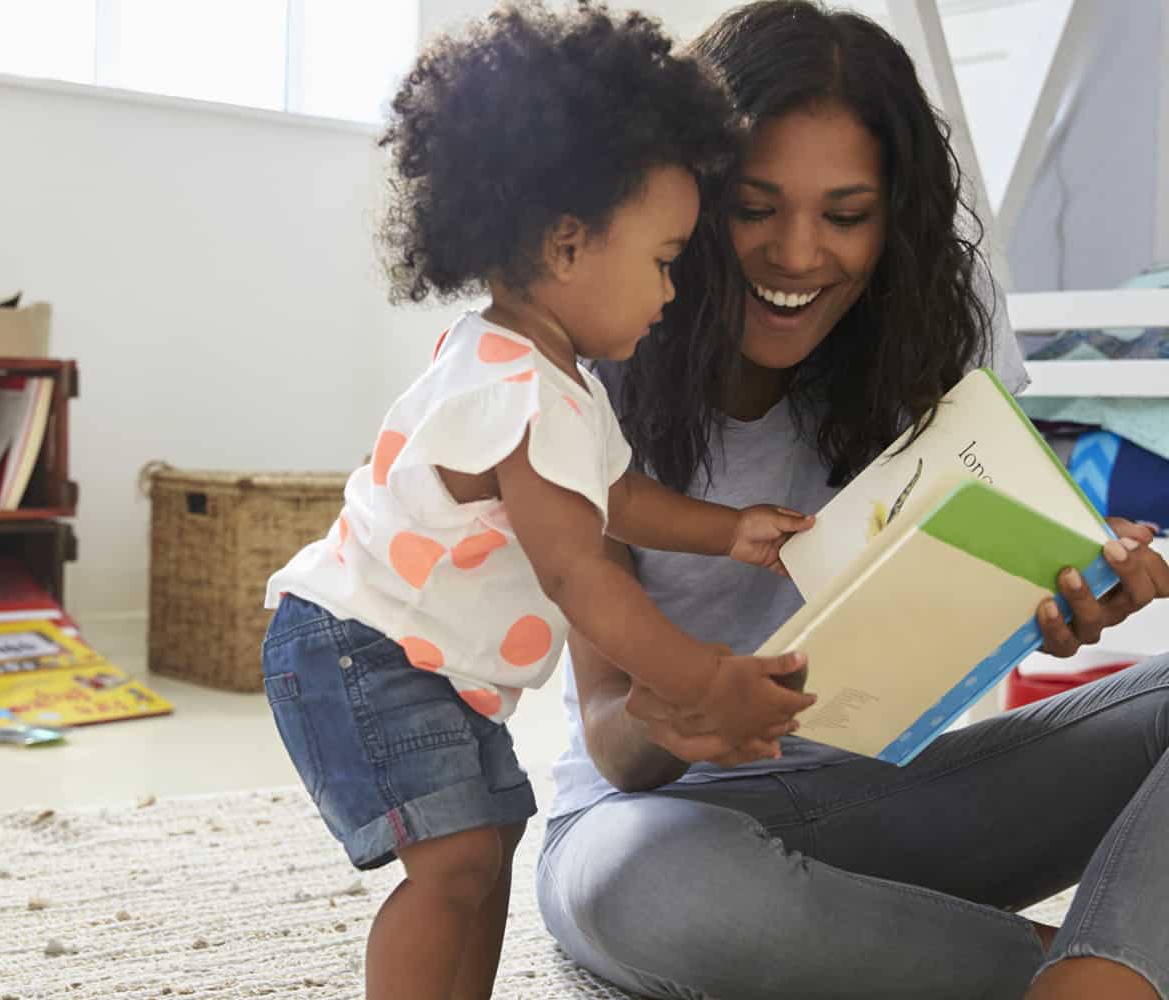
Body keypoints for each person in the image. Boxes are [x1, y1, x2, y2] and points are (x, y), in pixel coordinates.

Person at [535, 4, 1169, 999]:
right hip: (657, 824)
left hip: (881, 802)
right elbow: (613, 735)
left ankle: (1099, 981)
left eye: (843, 215)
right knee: (643, 888)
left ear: (892, 219)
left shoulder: (933, 332)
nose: (796, 254)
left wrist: (1050, 600)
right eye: (753, 206)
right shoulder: (591, 363)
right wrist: (683, 712)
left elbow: (964, 614)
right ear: (687, 201)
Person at [257, 5, 821, 998]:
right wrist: (703, 676)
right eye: (661, 261)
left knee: (493, 833)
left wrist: (729, 531)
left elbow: (618, 501)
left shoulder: (542, 374)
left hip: (415, 658)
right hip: (361, 649)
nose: (672, 292)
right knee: (456, 858)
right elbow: (580, 576)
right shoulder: (520, 392)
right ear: (567, 245)